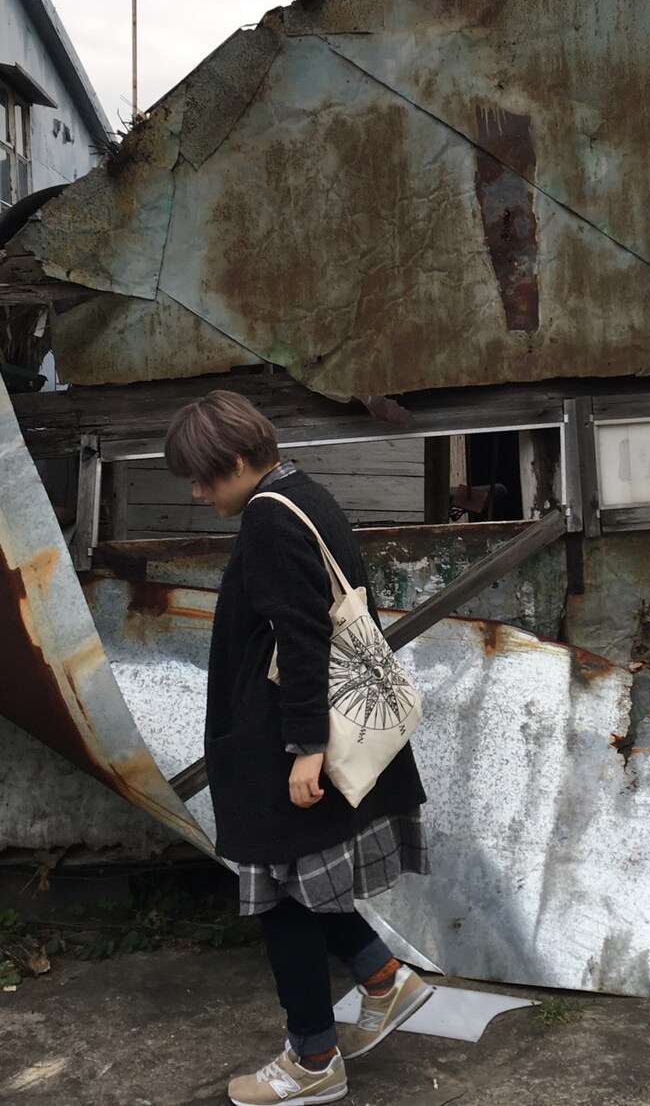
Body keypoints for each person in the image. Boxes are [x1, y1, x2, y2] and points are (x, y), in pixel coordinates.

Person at [164, 390, 431, 1106]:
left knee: (282, 900)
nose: (196, 493)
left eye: (202, 478)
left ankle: (314, 1059)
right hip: (287, 734)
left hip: (280, 743)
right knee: (301, 886)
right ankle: (384, 980)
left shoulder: (268, 519)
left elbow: (305, 636)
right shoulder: (303, 494)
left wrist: (306, 747)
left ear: (238, 460)